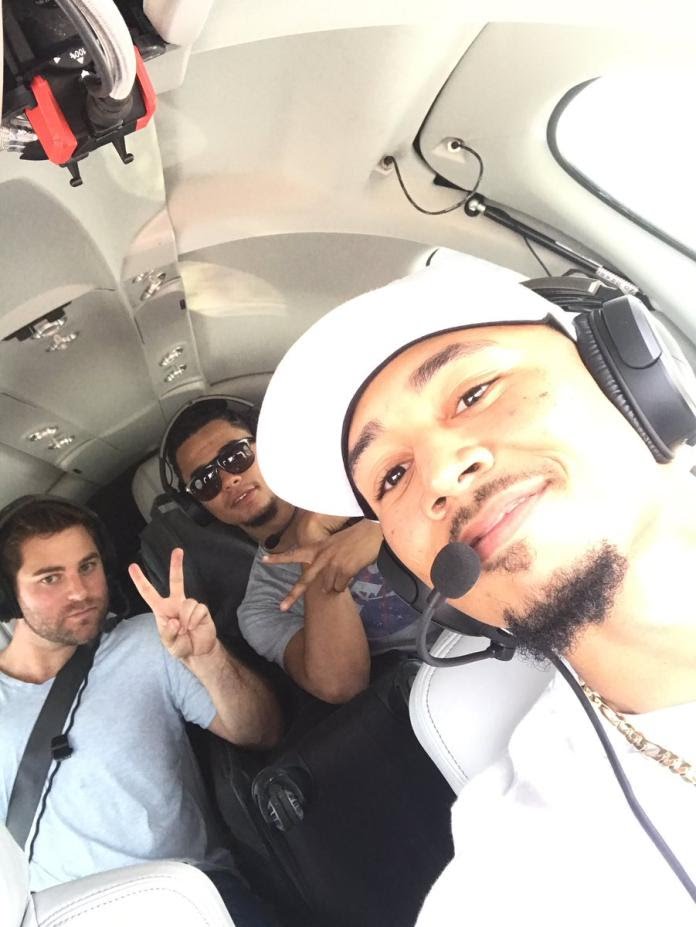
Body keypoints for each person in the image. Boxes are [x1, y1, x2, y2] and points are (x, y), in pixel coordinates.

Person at [254, 253, 696, 921]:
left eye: (473, 393)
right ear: (418, 579)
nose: (439, 475)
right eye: (392, 477)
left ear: (632, 373)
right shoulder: (520, 870)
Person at [0, 495, 282, 924]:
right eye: (50, 578)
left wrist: (209, 659)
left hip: (183, 899)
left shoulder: (153, 640)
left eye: (88, 566)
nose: (79, 591)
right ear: (9, 594)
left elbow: (262, 732)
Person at [163, 398, 424, 704]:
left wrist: (379, 527)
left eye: (236, 456)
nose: (228, 480)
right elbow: (344, 684)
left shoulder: (359, 477)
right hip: (435, 675)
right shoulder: (262, 606)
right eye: (205, 481)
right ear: (198, 508)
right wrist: (311, 539)